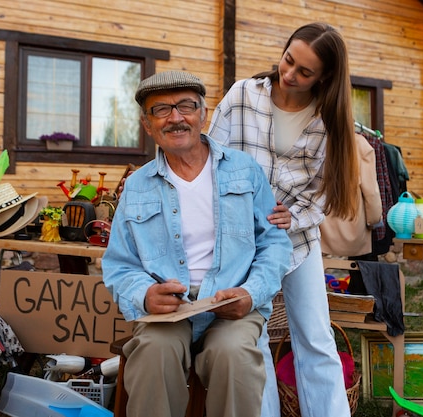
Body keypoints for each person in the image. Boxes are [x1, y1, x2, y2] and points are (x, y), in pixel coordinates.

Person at [102, 70, 293, 417]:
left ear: (203, 114)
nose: (176, 118)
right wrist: (144, 294)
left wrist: (251, 292)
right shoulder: (137, 186)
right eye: (161, 110)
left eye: (186, 106)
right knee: (152, 355)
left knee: (234, 356)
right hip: (169, 313)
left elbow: (275, 244)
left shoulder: (243, 170)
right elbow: (119, 263)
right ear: (147, 125)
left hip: (231, 305)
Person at [208, 22, 360, 417]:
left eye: (304, 72)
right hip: (243, 240)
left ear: (324, 77)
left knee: (315, 337)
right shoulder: (243, 95)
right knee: (252, 336)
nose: (289, 74)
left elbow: (328, 189)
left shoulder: (330, 119)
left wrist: (294, 216)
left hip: (298, 240)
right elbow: (211, 160)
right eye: (288, 60)